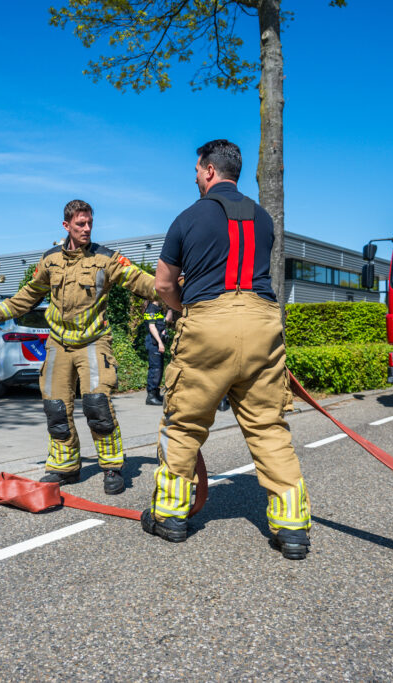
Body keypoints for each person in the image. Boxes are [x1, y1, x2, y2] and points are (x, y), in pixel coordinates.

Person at [141, 139, 312, 559]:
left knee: (184, 426)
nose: (196, 178)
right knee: (269, 428)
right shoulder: (265, 218)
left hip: (207, 325)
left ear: (209, 171)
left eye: (198, 171)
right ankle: (292, 529)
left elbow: (164, 285)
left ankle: (170, 516)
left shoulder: (187, 217)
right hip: (261, 324)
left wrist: (185, 312)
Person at [0, 199, 156, 495]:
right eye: (80, 224)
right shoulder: (50, 260)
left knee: (97, 405)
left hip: (93, 340)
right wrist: (2, 311)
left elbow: (141, 281)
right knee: (55, 407)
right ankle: (65, 466)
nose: (87, 228)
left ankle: (112, 467)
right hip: (58, 343)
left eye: (90, 223)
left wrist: (174, 287)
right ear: (66, 226)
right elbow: (30, 293)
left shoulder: (107, 259)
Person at [143, 299, 168, 405]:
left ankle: (156, 393)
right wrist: (159, 343)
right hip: (154, 343)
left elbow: (166, 321)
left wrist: (170, 309)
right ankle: (151, 396)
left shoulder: (158, 309)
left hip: (158, 341)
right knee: (155, 369)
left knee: (160, 368)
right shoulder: (151, 309)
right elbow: (152, 327)